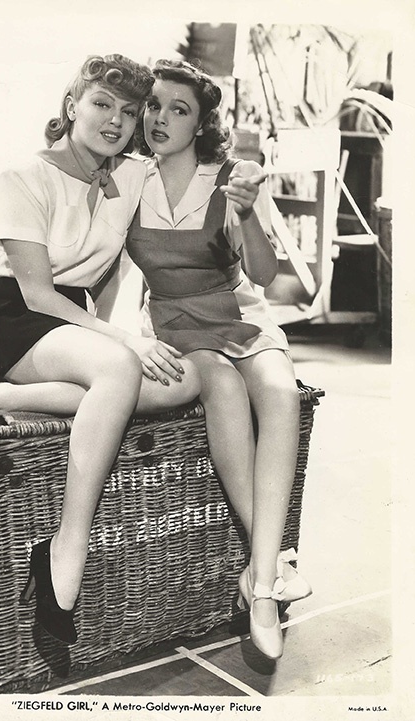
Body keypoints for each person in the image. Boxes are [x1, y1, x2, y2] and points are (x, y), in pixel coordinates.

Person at [0, 55, 201, 645]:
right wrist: (123, 339)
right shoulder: (22, 178)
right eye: (102, 104)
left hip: (75, 328)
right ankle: (67, 551)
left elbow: (121, 267)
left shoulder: (133, 177)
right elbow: (40, 295)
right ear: (72, 104)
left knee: (185, 379)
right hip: (14, 319)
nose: (116, 121)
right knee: (123, 365)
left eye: (129, 112)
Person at [126, 59, 311, 659]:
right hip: (173, 324)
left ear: (201, 123)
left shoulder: (231, 177)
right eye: (153, 105)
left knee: (281, 394)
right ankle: (270, 571)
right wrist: (125, 340)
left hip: (237, 311)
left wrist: (249, 212)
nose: (160, 119)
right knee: (224, 388)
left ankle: (258, 585)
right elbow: (103, 276)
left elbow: (263, 274)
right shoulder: (125, 179)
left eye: (179, 110)